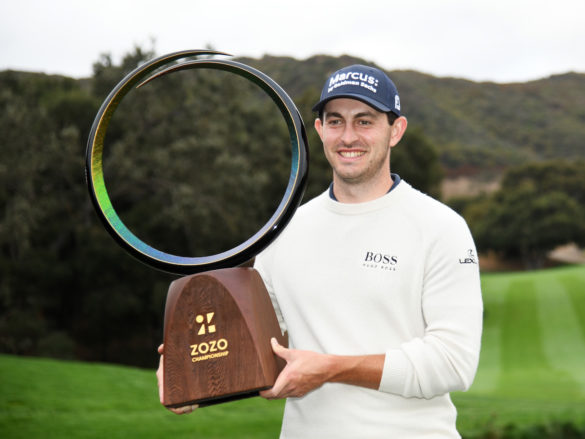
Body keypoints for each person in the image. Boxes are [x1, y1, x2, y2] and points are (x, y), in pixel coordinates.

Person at [157, 64, 483, 438]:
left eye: (365, 121)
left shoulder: (441, 227)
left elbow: (453, 363)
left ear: (396, 130)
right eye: (335, 121)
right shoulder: (285, 231)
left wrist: (331, 368)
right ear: (319, 130)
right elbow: (262, 347)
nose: (348, 137)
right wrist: (192, 371)